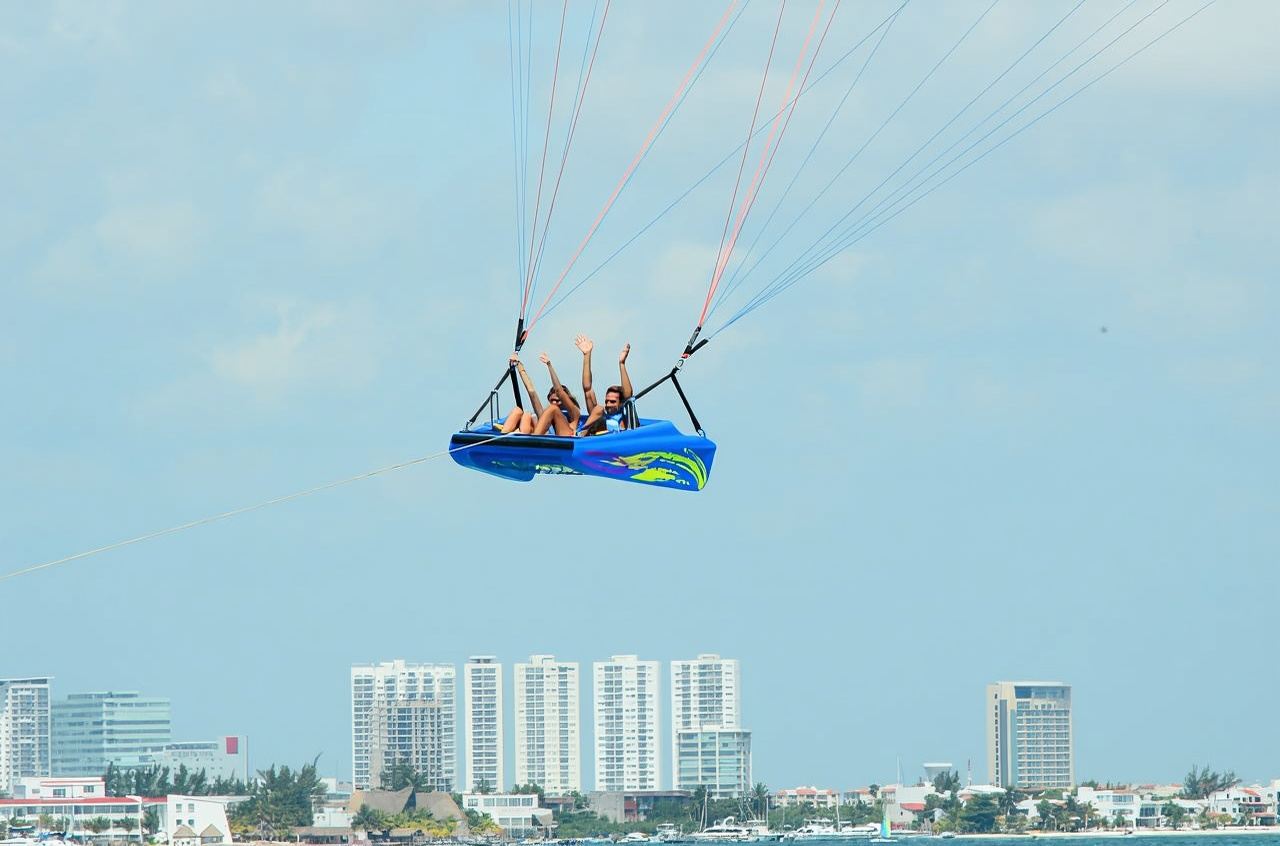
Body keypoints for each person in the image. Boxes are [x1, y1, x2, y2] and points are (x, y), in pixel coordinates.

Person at [497, 352, 589, 436]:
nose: (555, 400)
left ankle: (535, 439)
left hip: (565, 437)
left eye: (559, 399)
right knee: (523, 413)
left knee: (553, 409)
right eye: (552, 397)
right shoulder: (545, 415)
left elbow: (559, 391)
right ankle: (502, 439)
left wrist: (549, 365)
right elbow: (532, 393)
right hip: (546, 437)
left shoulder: (574, 413)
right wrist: (519, 366)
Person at [575, 334, 634, 434]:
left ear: (620, 403)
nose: (608, 404)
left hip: (617, 444)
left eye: (612, 401)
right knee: (598, 408)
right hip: (593, 443)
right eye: (607, 401)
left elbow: (628, 394)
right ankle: (580, 435)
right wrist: (586, 355)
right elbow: (587, 389)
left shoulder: (625, 416)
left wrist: (622, 364)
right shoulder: (599, 413)